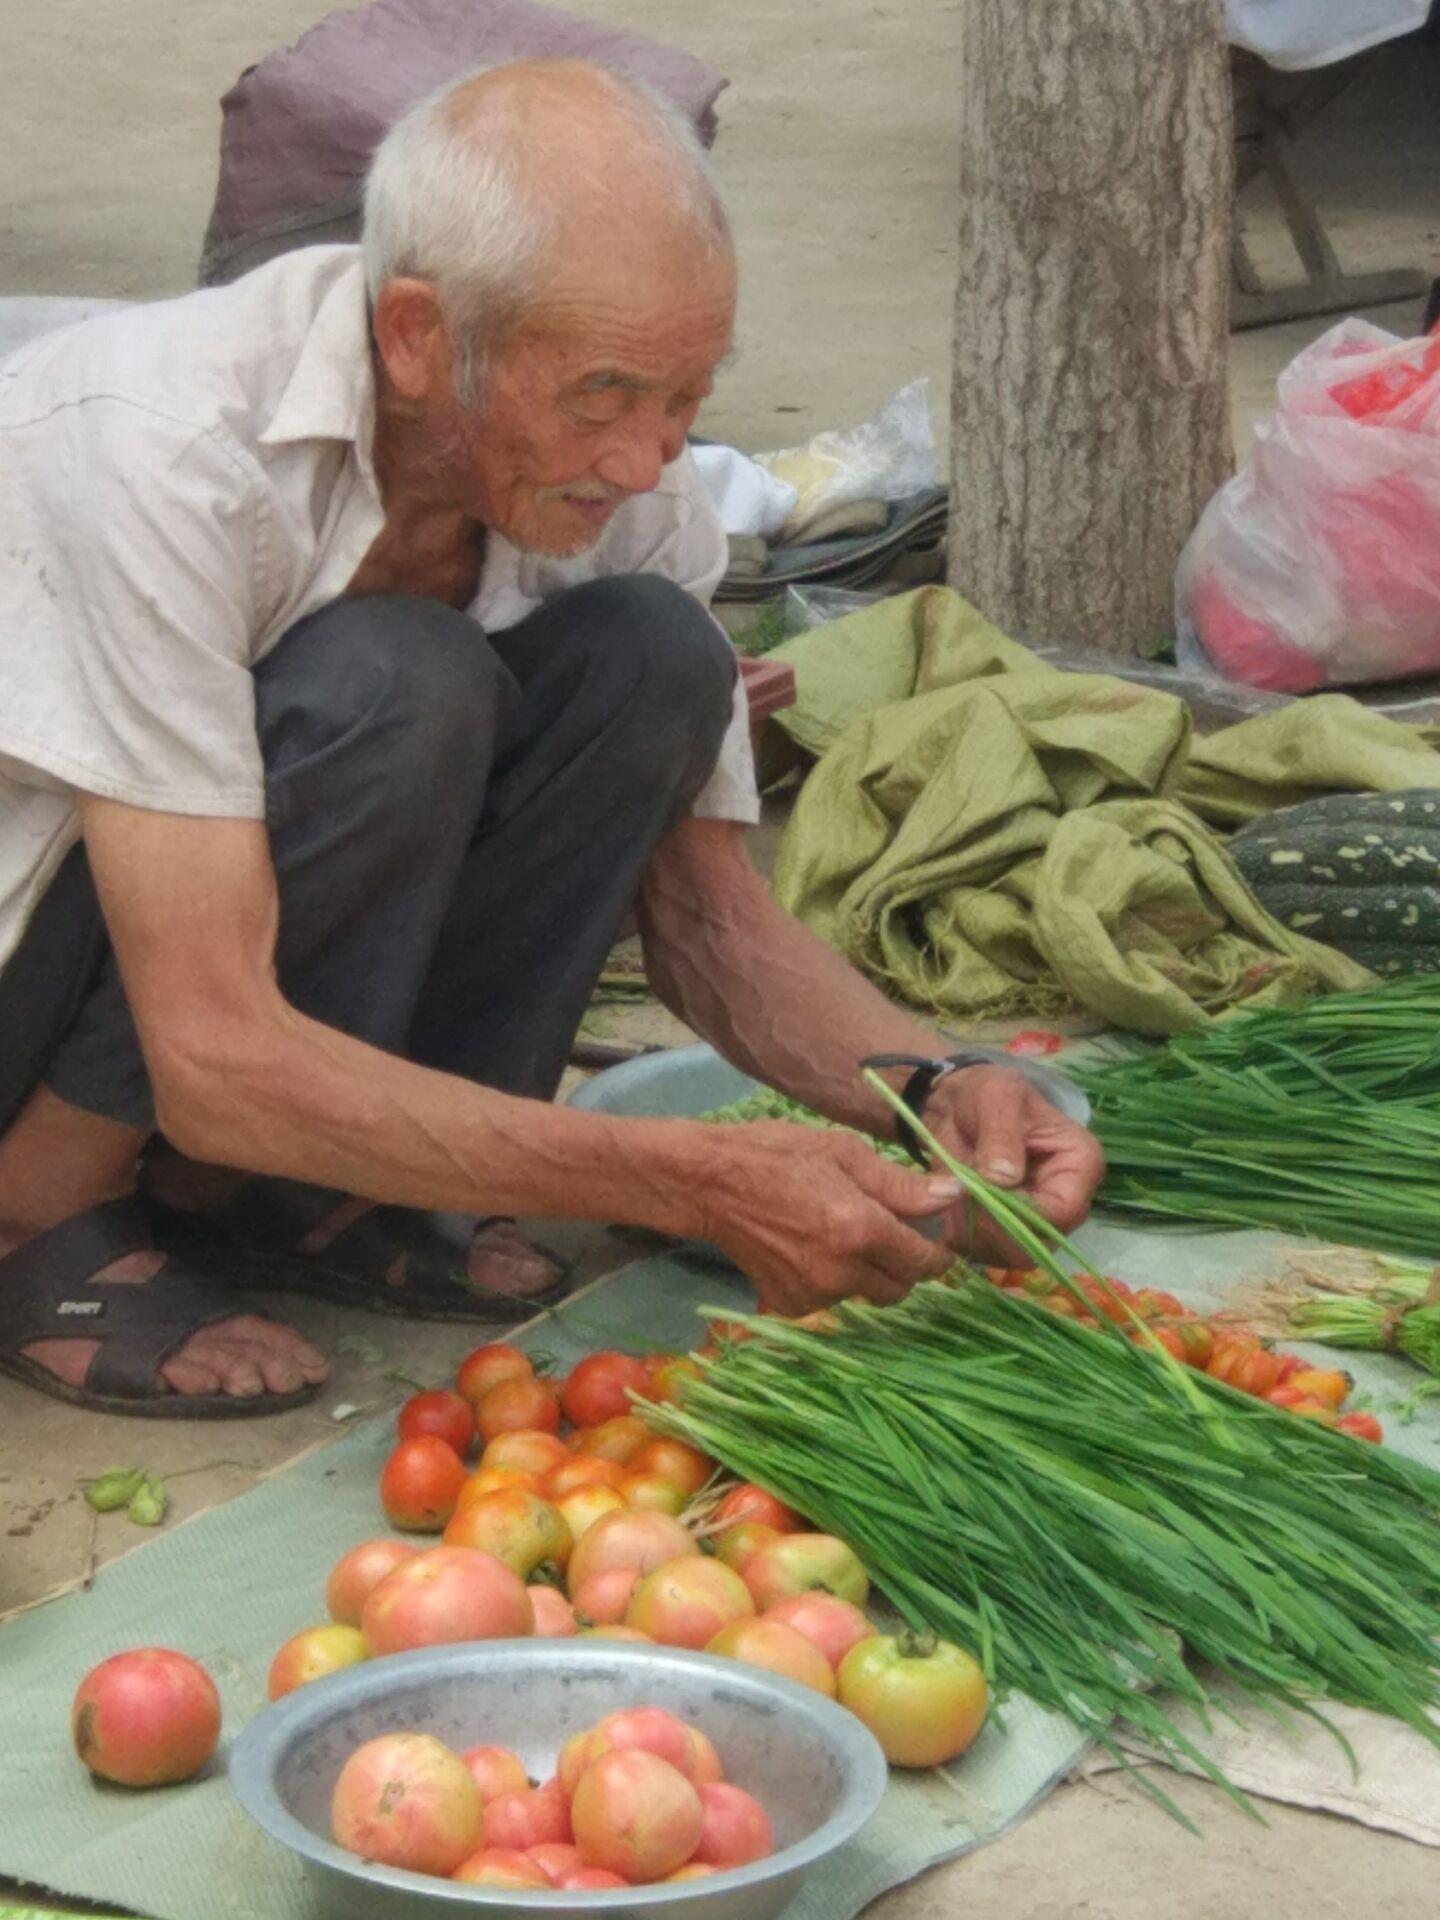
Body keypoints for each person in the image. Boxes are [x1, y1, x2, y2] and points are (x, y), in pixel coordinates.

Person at [0, 59, 1103, 1418]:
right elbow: (216, 1054)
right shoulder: (162, 452)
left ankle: (333, 1195)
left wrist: (935, 1084)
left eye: (689, 398)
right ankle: (40, 1215)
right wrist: (685, 1177)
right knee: (398, 680)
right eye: (603, 394)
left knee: (654, 656)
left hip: (200, 981)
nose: (648, 459)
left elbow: (712, 923)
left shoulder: (628, 487)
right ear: (416, 339)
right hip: (34, 959)